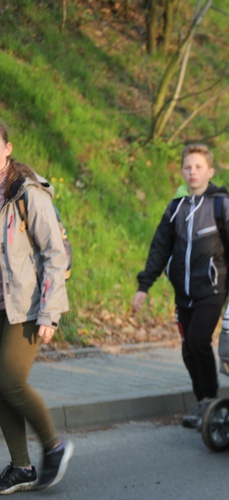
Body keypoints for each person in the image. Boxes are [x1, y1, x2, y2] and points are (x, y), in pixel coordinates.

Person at [132, 143, 229, 428]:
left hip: (212, 289)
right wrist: (144, 286)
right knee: (188, 348)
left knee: (198, 340)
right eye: (187, 167)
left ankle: (210, 399)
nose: (192, 172)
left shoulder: (223, 205)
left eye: (198, 167)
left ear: (210, 171)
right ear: (182, 172)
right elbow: (160, 247)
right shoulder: (176, 208)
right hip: (183, 292)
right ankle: (202, 401)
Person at [0, 121, 74, 493]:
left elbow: (54, 254)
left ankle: (54, 447)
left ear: (7, 148)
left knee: (10, 381)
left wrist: (50, 312)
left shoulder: (27, 193)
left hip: (27, 307)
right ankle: (21, 466)